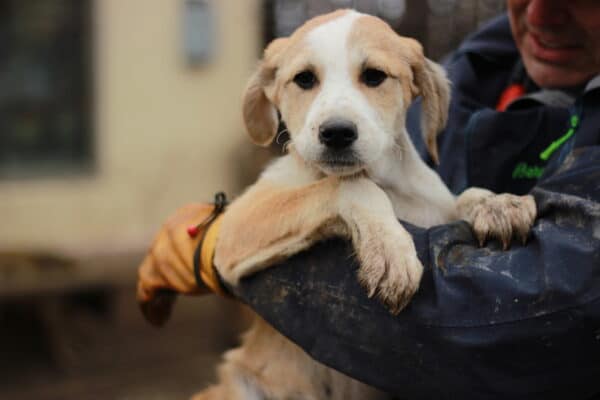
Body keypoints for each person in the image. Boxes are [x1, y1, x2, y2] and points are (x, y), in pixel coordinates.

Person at [137, 1, 600, 399]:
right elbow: (230, 247)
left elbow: (456, 240)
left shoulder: (428, 176)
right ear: (269, 97)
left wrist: (473, 203)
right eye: (305, 79)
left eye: (373, 75)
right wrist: (345, 198)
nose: (336, 116)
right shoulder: (292, 179)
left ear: (423, 95)